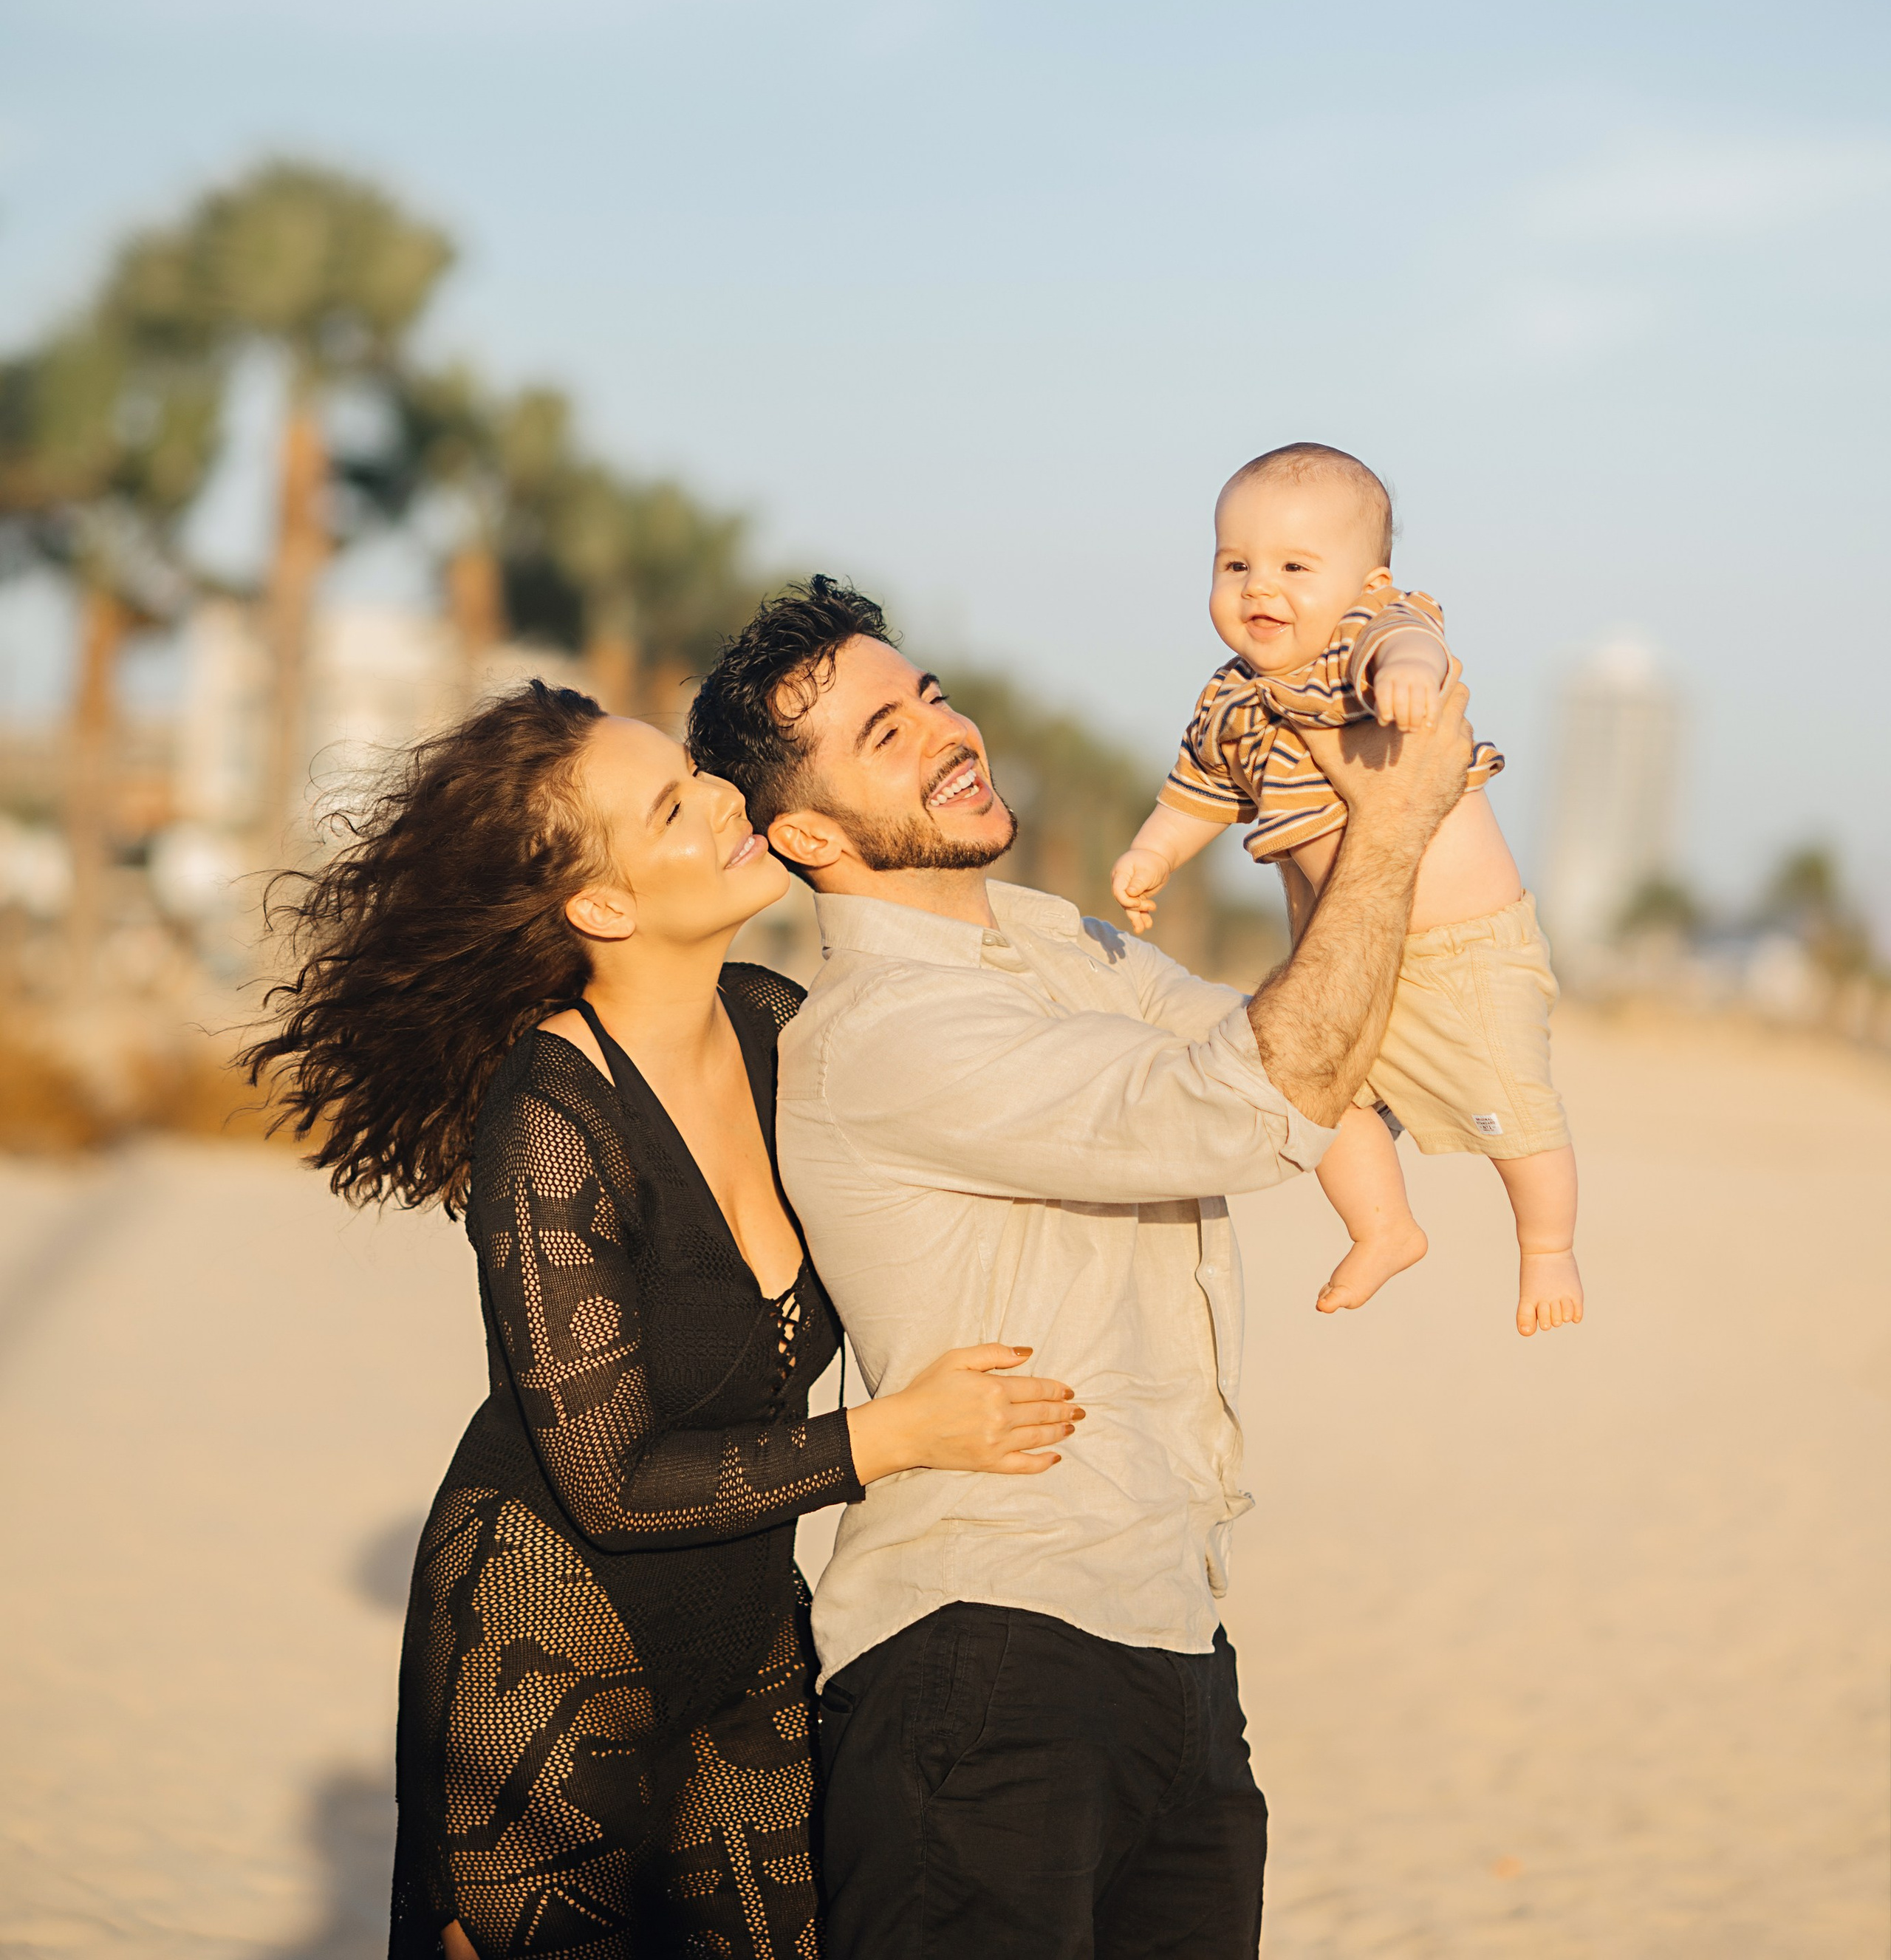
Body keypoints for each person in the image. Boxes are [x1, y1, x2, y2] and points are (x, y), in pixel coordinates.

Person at [684, 576, 1479, 1960]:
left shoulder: (1065, 943)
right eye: (883, 731)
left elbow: (1318, 1048)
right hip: (985, 1659)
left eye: (928, 692)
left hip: (1175, 1636)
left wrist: (1344, 801)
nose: (945, 728)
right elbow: (1251, 1104)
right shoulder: (883, 1030)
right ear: (803, 831)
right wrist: (1394, 829)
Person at [247, 680, 1081, 1960]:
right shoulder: (553, 1121)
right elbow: (614, 1481)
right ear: (604, 903)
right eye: (674, 803)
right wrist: (898, 1434)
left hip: (747, 1625)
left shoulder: (774, 1024)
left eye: (700, 774)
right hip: (548, 1632)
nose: (727, 798)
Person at [1111, 441, 1582, 1336]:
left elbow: (1411, 641)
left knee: (1513, 1106)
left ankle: (1547, 1244)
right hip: (1347, 955)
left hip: (1459, 947)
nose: (1260, 588)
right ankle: (1384, 1226)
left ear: (1366, 577)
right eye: (1234, 564)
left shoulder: (1362, 639)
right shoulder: (1229, 701)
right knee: (1329, 1104)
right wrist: (1154, 854)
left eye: (1293, 566)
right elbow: (1195, 792)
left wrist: (1407, 670)